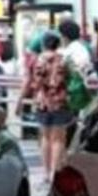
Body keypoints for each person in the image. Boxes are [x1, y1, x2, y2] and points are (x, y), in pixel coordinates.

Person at [19, 32, 73, 182]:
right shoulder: (64, 60)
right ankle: (54, 173)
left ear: (43, 45)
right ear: (58, 45)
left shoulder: (35, 60)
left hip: (42, 102)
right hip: (60, 102)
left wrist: (20, 101)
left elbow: (29, 81)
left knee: (44, 137)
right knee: (58, 139)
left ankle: (45, 172)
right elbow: (70, 80)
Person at [58, 19, 97, 83]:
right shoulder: (80, 48)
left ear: (65, 37)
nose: (60, 38)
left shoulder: (75, 51)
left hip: (76, 86)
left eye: (60, 35)